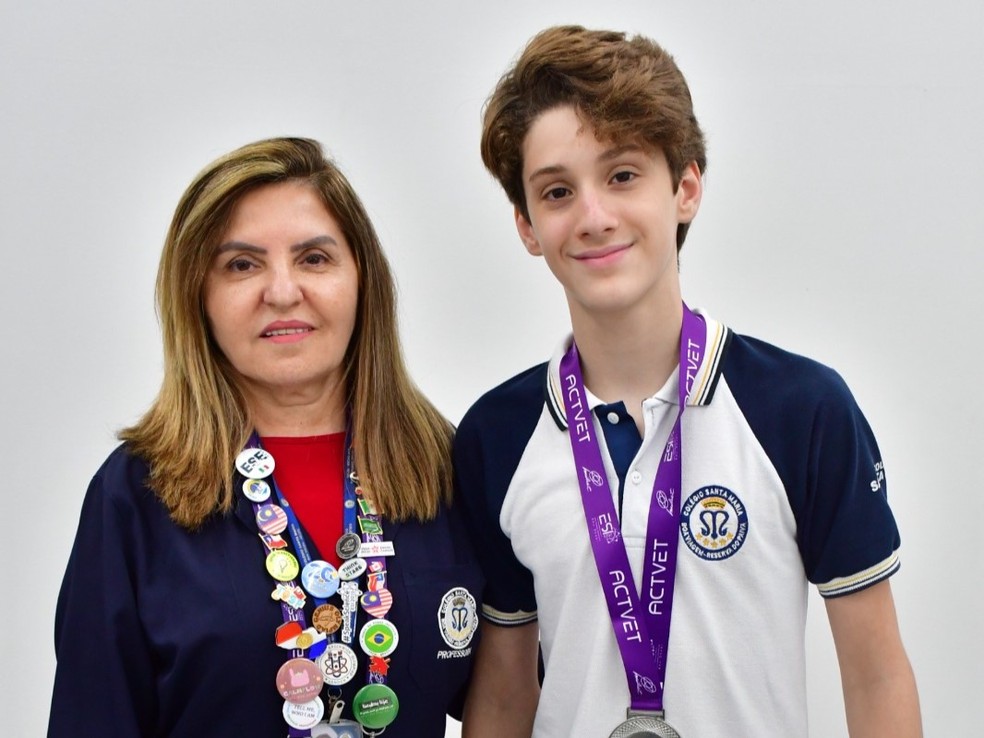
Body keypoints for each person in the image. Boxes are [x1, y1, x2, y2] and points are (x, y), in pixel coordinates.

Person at [455, 25, 921, 738]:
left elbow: (877, 675)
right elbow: (504, 695)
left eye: (622, 175)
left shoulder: (802, 409)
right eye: (556, 192)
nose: (594, 217)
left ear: (686, 188)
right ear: (526, 225)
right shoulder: (497, 434)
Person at [48, 137, 482, 737]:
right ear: (198, 297)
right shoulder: (135, 495)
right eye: (242, 265)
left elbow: (514, 693)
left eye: (314, 258)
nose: (281, 292)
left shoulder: (448, 469)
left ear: (363, 280)